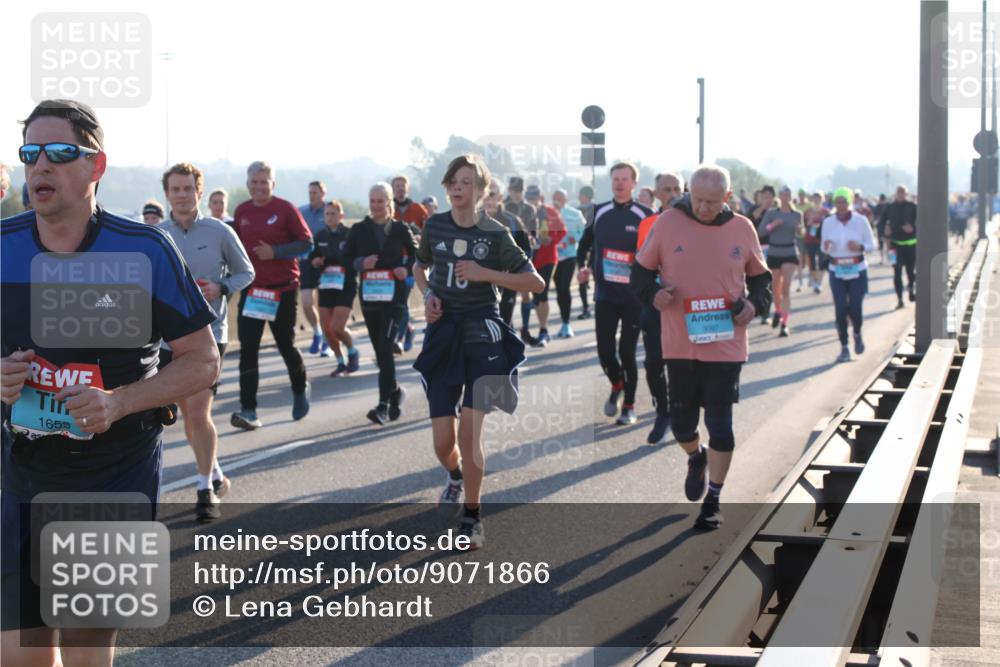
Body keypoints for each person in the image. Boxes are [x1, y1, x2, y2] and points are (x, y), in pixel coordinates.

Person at [2, 99, 219, 666]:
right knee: (17, 654)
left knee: (84, 649)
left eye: (60, 153)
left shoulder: (142, 249)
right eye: (31, 154)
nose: (41, 166)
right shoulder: (3, 246)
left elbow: (202, 360)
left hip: (112, 472)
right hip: (16, 472)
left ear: (96, 167)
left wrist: (119, 401)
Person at [413, 154, 544, 550]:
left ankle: (472, 516)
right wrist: (429, 294)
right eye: (453, 181)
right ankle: (455, 475)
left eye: (466, 181)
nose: (457, 187)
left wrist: (486, 274)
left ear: (482, 190)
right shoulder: (434, 225)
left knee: (469, 434)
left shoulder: (497, 233)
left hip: (483, 333)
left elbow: (534, 282)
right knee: (442, 440)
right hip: (443, 333)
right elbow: (420, 267)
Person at [632, 164, 772, 530]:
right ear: (688, 193)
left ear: (727, 198)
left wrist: (752, 307)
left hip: (726, 346)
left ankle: (714, 498)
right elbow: (640, 272)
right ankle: (696, 457)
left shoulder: (742, 228)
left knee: (721, 426)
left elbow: (761, 281)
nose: (704, 208)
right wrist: (653, 294)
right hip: (679, 344)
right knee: (682, 426)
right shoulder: (668, 223)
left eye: (712, 202)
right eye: (698, 200)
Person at [157, 162, 255, 521]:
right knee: (187, 417)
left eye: (188, 189)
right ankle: (214, 471)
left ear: (199, 191)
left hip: (210, 336)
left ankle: (204, 489)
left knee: (199, 414)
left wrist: (221, 287)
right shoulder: (158, 235)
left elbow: (247, 272)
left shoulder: (219, 231)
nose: (182, 196)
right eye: (175, 189)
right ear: (167, 193)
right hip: (168, 341)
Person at [230, 161, 313, 430]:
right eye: (254, 182)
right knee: (248, 351)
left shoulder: (285, 209)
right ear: (247, 185)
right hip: (254, 292)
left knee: (285, 345)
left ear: (272, 184)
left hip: (283, 291)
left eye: (264, 182)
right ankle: (248, 409)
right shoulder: (241, 211)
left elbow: (306, 243)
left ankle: (300, 388)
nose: (258, 187)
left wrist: (276, 252)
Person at [577, 161, 654, 425]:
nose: (619, 183)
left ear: (634, 183)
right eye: (615, 178)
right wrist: (583, 267)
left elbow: (656, 252)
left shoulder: (645, 214)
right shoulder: (598, 211)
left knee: (628, 351)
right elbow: (584, 245)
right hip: (606, 294)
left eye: (624, 179)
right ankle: (617, 384)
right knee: (605, 351)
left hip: (634, 297)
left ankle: (629, 406)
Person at [344, 182, 418, 425]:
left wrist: (404, 268)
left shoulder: (399, 229)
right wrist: (361, 263)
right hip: (371, 298)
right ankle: (395, 392)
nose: (376, 206)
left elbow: (419, 256)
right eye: (372, 201)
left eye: (381, 201)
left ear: (389, 203)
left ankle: (383, 405)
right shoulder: (359, 229)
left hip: (394, 298)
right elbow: (346, 258)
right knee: (380, 352)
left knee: (386, 348)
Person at [634, 172, 684, 445]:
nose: (673, 193)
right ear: (656, 193)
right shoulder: (648, 224)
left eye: (677, 188)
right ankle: (662, 412)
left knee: (683, 365)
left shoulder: (695, 222)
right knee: (653, 363)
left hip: (687, 306)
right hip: (655, 303)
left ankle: (680, 412)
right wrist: (653, 292)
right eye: (666, 189)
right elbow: (641, 268)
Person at [823, 187, 876, 362]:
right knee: (840, 309)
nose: (841, 206)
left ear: (850, 202)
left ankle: (857, 333)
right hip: (836, 270)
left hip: (857, 269)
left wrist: (860, 247)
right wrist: (827, 247)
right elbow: (823, 247)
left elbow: (871, 244)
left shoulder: (860, 220)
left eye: (844, 202)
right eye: (838, 202)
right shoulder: (828, 222)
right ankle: (844, 347)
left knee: (855, 307)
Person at [310, 200, 361, 377]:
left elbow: (354, 259)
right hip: (326, 284)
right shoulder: (319, 236)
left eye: (333, 214)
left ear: (341, 215)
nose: (330, 217)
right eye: (327, 214)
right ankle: (340, 361)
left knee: (337, 326)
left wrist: (333, 260)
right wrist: (316, 262)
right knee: (326, 328)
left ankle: (353, 352)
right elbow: (314, 258)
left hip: (345, 284)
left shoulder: (349, 234)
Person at [483, 179, 531, 327]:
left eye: (491, 194)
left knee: (503, 323)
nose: (487, 198)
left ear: (500, 198)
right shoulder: (470, 220)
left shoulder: (513, 222)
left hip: (506, 282)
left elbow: (526, 250)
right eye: (483, 193)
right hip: (479, 284)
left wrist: (520, 275)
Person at [391, 175, 430, 353]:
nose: (399, 189)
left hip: (411, 261)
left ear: (408, 189)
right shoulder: (388, 209)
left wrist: (421, 238)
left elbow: (429, 232)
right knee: (394, 300)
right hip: (392, 260)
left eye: (402, 186)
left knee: (402, 298)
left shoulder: (418, 209)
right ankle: (408, 330)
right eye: (396, 186)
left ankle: (399, 337)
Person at [524, 185, 565, 346]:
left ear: (541, 197)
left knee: (542, 292)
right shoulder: (523, 212)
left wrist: (552, 240)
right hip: (530, 258)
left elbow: (562, 230)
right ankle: (533, 329)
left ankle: (543, 330)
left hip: (547, 258)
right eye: (530, 197)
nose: (532, 200)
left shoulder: (550, 212)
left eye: (535, 197)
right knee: (535, 295)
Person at [758, 186, 802, 337]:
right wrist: (773, 225)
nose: (784, 197)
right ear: (779, 197)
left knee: (786, 289)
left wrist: (799, 229)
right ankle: (777, 311)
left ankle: (784, 323)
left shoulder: (796, 214)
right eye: (782, 195)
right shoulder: (771, 213)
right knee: (775, 287)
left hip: (789, 251)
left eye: (787, 195)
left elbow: (802, 233)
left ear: (790, 197)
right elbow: (761, 231)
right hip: (775, 252)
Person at [503, 176, 540, 343]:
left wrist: (532, 238)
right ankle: (507, 326)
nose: (517, 194)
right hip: (505, 254)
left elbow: (534, 232)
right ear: (509, 190)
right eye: (514, 190)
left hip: (524, 253)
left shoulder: (529, 209)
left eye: (519, 191)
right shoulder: (501, 206)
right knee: (504, 295)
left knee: (526, 294)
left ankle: (525, 327)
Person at [298, 181, 331, 356]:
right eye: (310, 192)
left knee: (324, 304)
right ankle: (317, 332)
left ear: (323, 193)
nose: (312, 195)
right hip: (305, 262)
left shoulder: (329, 211)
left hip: (327, 263)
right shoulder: (301, 211)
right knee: (306, 302)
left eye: (315, 192)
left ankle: (327, 340)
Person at [551, 188, 586, 338]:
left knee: (565, 288)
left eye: (560, 198)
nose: (558, 200)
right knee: (559, 289)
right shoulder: (547, 213)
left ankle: (566, 323)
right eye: (555, 197)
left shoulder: (574, 214)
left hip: (570, 255)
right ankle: (564, 321)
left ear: (566, 199)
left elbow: (584, 231)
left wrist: (577, 238)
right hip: (553, 256)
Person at [879, 184, 918, 308]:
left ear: (906, 194)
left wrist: (913, 229)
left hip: (911, 244)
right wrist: (885, 230)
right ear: (895, 194)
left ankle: (911, 287)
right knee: (896, 272)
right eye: (898, 192)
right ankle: (900, 299)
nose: (900, 194)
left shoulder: (913, 207)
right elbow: (881, 223)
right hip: (894, 245)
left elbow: (922, 223)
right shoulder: (889, 207)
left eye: (903, 192)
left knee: (910, 271)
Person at [748, 185, 775, 324]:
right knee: (761, 281)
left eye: (770, 197)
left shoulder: (776, 211)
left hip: (774, 248)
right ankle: (762, 310)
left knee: (771, 282)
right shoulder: (755, 209)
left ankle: (768, 312)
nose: (767, 200)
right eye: (765, 197)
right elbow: (750, 219)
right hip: (757, 249)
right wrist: (762, 207)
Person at [802, 192, 828, 293]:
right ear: (812, 199)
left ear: (823, 199)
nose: (817, 200)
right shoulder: (807, 211)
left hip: (822, 239)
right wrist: (808, 225)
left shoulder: (826, 212)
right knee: (812, 262)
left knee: (822, 261)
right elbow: (802, 224)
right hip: (810, 239)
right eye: (815, 198)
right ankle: (815, 280)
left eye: (819, 198)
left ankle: (819, 283)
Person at [576, 185, 596, 319]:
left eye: (580, 194)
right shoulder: (577, 210)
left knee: (593, 277)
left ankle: (591, 306)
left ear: (585, 196)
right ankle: (586, 307)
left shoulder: (595, 209)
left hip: (591, 248)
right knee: (583, 277)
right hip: (584, 247)